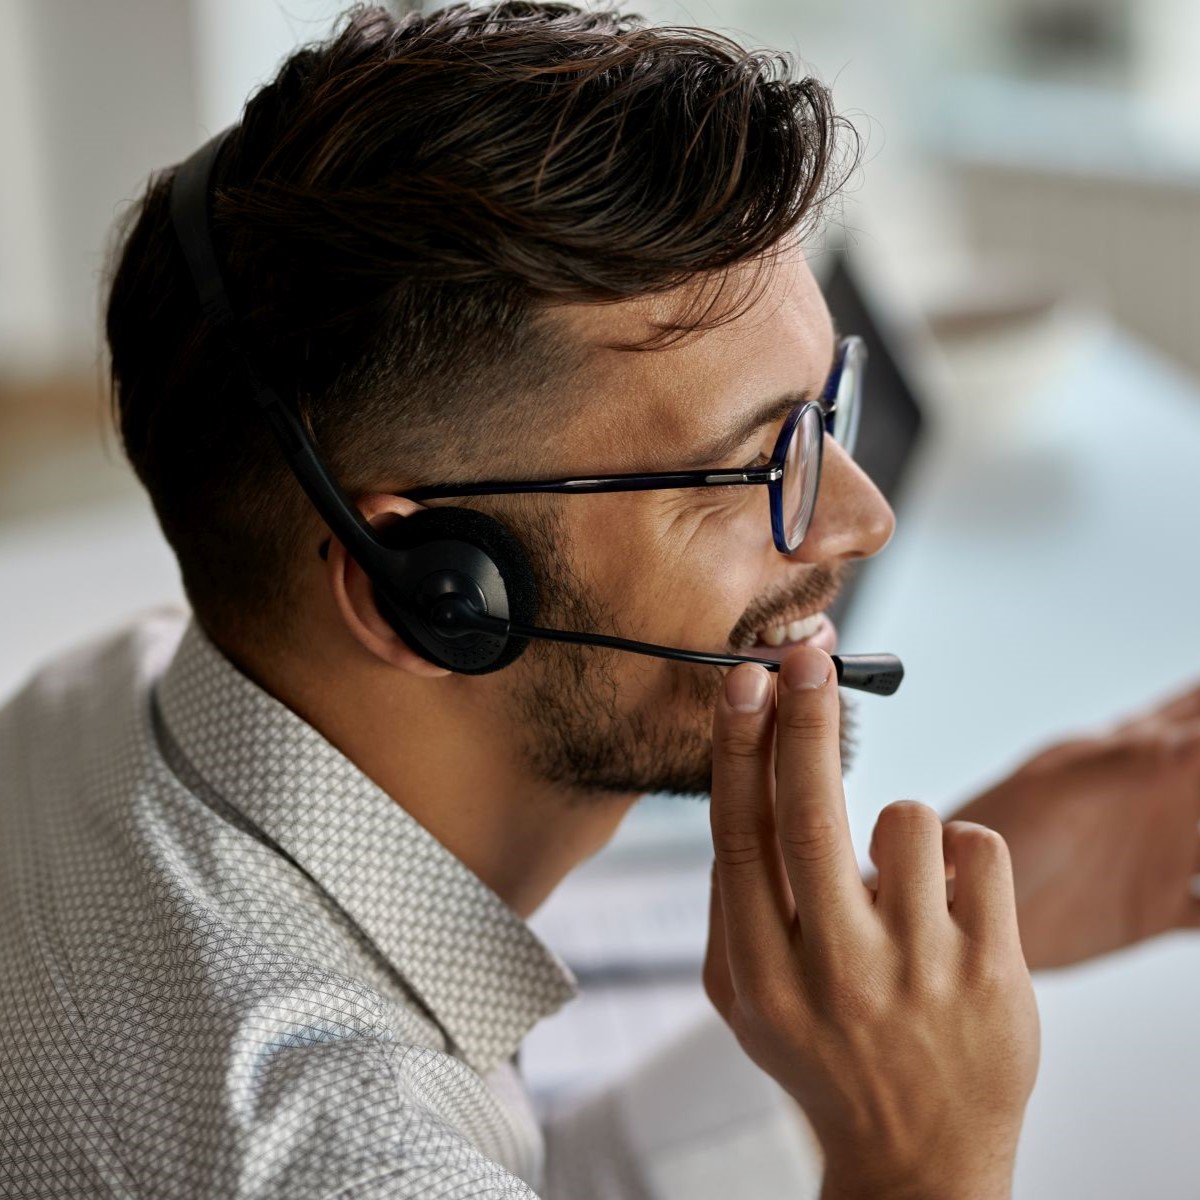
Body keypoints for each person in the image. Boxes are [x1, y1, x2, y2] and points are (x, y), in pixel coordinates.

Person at [2, 4, 1199, 1197]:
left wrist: (924, 970)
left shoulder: (108, 701)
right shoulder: (334, 1159)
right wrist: (924, 1157)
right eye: (756, 465)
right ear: (425, 591)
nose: (862, 518)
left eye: (822, 412)